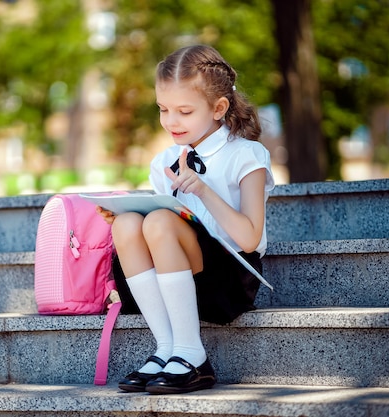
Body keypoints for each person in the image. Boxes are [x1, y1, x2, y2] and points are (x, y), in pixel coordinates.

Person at [97, 44, 275, 395]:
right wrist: (123, 211)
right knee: (128, 223)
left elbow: (250, 238)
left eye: (184, 111)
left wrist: (204, 190)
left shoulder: (247, 155)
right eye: (163, 109)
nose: (170, 121)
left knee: (160, 221)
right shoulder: (164, 159)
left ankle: (192, 354)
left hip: (228, 279)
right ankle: (167, 349)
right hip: (176, 280)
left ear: (218, 108)